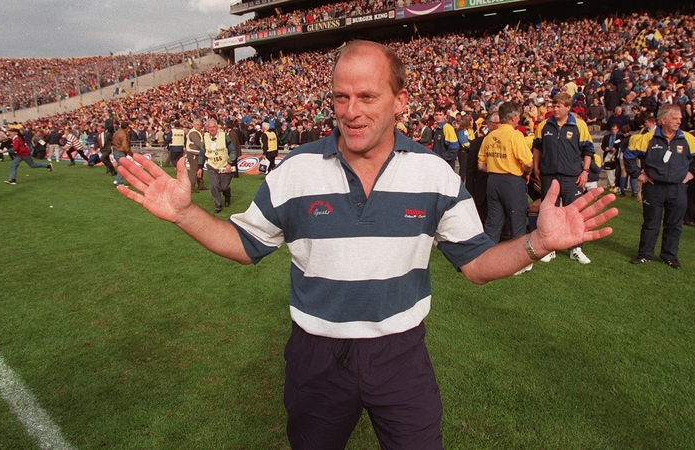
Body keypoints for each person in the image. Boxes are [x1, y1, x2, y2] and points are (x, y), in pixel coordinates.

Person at [115, 40, 617, 449]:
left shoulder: (434, 174)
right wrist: (184, 213)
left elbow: (478, 264)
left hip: (401, 356)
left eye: (367, 97)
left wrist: (538, 242)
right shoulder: (295, 171)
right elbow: (245, 243)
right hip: (315, 356)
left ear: (400, 101)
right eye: (340, 97)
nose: (351, 112)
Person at [625, 104, 695, 269]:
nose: (679, 121)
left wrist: (692, 174)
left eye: (680, 118)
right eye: (675, 118)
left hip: (678, 189)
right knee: (651, 223)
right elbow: (629, 155)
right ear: (663, 120)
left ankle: (669, 256)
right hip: (654, 188)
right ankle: (645, 254)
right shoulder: (648, 138)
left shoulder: (687, 138)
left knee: (674, 224)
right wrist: (638, 174)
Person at [532, 92, 595, 264]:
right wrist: (536, 166)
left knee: (574, 212)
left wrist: (585, 171)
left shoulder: (579, 125)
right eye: (554, 105)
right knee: (549, 213)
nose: (555, 109)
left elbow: (588, 150)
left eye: (559, 106)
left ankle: (576, 248)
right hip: (549, 175)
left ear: (568, 107)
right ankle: (549, 248)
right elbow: (537, 147)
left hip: (571, 177)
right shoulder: (544, 125)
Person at [477, 102, 533, 249]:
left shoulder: (489, 136)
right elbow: (528, 163)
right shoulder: (515, 135)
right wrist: (526, 172)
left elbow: (481, 165)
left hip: (493, 180)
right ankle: (518, 259)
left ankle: (487, 256)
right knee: (517, 219)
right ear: (513, 118)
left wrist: (496, 165)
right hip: (512, 181)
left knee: (493, 221)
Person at [198, 119, 236, 213]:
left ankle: (227, 196)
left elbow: (233, 150)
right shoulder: (205, 138)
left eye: (214, 127)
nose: (212, 129)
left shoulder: (224, 137)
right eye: (210, 127)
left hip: (224, 166)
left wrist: (229, 163)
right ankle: (218, 205)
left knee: (224, 187)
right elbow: (202, 153)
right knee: (214, 186)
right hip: (212, 166)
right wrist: (200, 167)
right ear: (207, 129)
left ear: (217, 128)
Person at [432, 106, 459, 170]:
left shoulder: (447, 128)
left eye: (440, 115)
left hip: (446, 164)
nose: (438, 117)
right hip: (438, 162)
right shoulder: (438, 129)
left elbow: (454, 147)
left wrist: (444, 158)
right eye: (436, 115)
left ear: (445, 116)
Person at [185, 119, 205, 192]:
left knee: (199, 170)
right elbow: (199, 144)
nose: (200, 126)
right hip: (193, 154)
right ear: (193, 125)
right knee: (194, 171)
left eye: (200, 125)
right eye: (198, 125)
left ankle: (201, 185)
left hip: (197, 154)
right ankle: (191, 188)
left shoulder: (197, 132)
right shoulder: (193, 133)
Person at [112, 120, 132, 187]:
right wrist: (130, 153)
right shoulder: (123, 134)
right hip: (120, 152)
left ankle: (117, 180)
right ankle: (119, 182)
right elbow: (125, 146)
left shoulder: (116, 132)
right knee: (122, 167)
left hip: (115, 151)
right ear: (126, 127)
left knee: (120, 166)